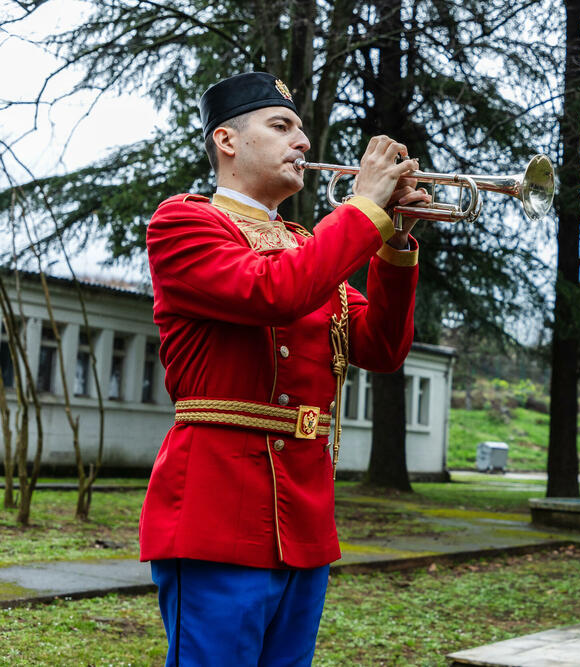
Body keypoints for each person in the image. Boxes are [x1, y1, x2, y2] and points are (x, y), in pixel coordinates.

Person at [138, 71, 432, 665]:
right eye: (281, 126)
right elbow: (274, 292)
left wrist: (394, 243)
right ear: (226, 140)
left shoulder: (308, 245)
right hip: (216, 510)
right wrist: (363, 209)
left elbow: (380, 348)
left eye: (301, 129)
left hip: (305, 515)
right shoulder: (184, 223)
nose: (302, 141)